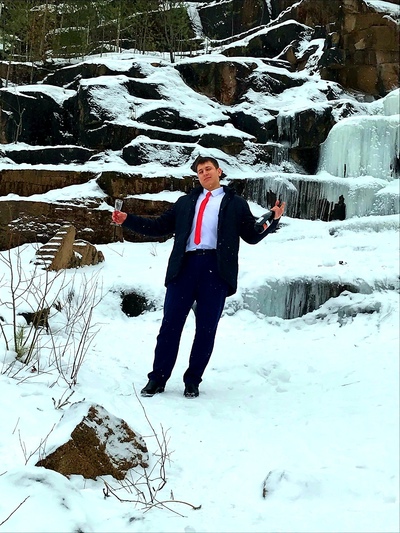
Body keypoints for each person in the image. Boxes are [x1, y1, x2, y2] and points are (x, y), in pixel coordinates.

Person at [112, 156, 285, 398]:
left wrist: (273, 220)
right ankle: (157, 378)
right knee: (170, 325)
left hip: (216, 269)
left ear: (219, 171)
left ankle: (193, 381)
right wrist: (127, 219)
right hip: (184, 267)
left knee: (206, 329)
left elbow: (252, 235)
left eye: (208, 169)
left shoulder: (236, 203)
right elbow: (159, 226)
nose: (204, 173)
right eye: (200, 171)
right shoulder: (185, 202)